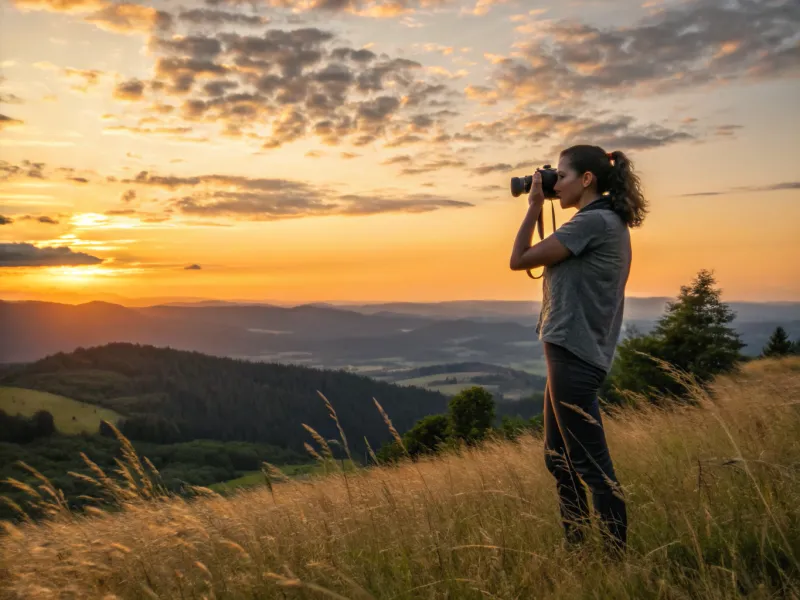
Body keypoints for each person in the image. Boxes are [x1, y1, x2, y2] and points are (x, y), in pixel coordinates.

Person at [509, 144, 648, 557]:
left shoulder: (594, 222)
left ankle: (614, 561)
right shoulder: (597, 221)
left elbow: (519, 259)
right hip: (570, 350)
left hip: (575, 354)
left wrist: (534, 206)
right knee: (559, 458)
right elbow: (540, 259)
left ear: (587, 180)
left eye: (562, 175)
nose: (555, 183)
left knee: (590, 466)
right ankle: (578, 548)